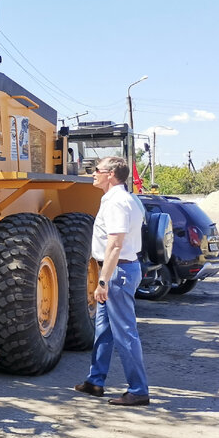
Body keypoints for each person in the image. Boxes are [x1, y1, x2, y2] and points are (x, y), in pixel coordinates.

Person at [74, 155, 151, 406]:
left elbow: (116, 245)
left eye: (97, 169)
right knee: (104, 331)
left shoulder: (117, 202)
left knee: (125, 333)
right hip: (120, 271)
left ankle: (138, 390)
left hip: (117, 272)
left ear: (111, 174)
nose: (93, 173)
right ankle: (95, 381)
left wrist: (103, 281)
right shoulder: (122, 199)